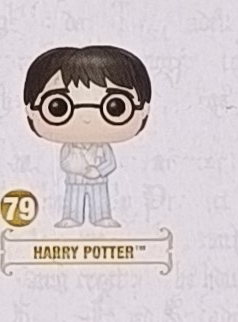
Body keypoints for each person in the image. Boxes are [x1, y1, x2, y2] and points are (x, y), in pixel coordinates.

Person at [23, 44, 151, 229]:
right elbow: (65, 163)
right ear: (31, 110)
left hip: (99, 180)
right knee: (73, 198)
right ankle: (72, 217)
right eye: (58, 107)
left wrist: (98, 171)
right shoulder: (69, 147)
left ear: (144, 110)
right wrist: (81, 169)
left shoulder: (103, 147)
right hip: (75, 180)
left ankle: (102, 217)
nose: (86, 118)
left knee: (100, 199)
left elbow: (111, 163)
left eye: (115, 106)